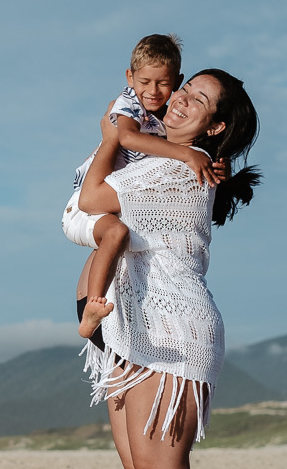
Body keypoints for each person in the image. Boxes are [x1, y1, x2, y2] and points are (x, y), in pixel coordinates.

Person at [76, 69, 260, 469]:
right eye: (185, 89)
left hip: (172, 333)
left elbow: (89, 199)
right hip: (133, 332)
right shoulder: (167, 161)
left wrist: (112, 132)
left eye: (198, 100)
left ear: (217, 126)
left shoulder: (178, 172)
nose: (180, 99)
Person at [62, 34, 223, 342]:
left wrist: (217, 166)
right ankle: (91, 313)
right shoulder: (129, 104)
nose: (153, 91)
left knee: (118, 234)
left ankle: (94, 308)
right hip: (82, 205)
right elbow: (126, 139)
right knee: (117, 234)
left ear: (176, 81)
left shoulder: (164, 112)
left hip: (104, 204)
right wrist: (186, 154)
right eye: (145, 81)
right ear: (129, 77)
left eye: (163, 84)